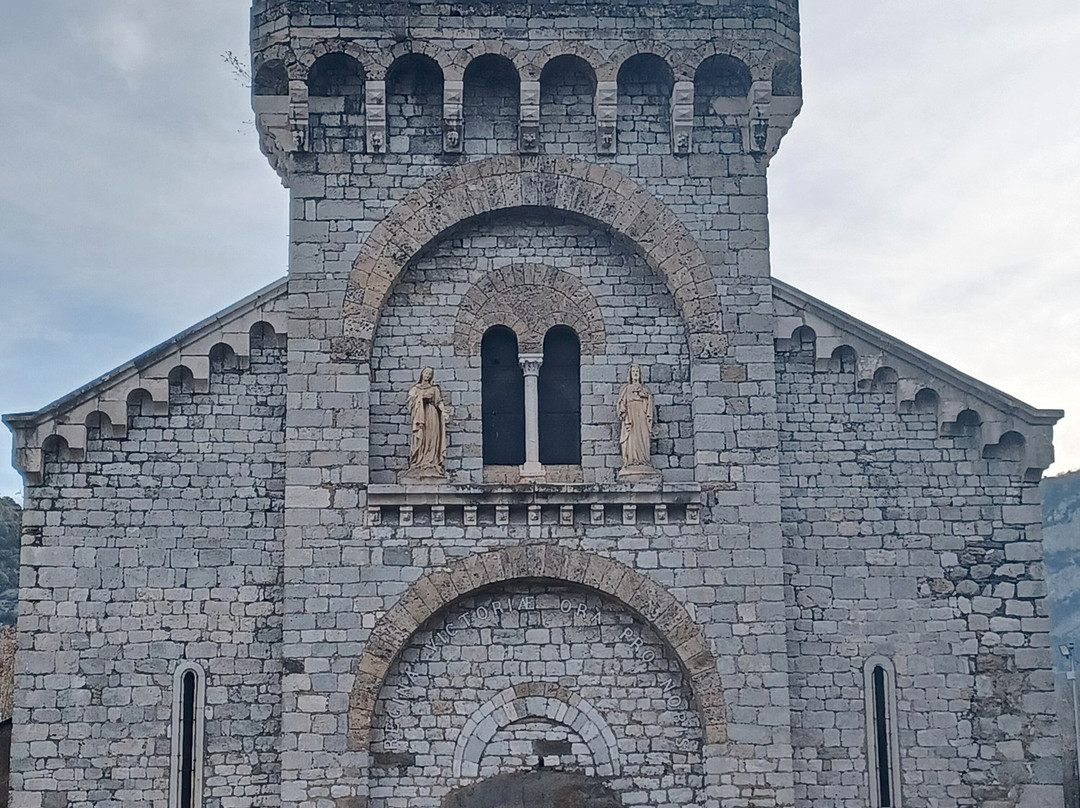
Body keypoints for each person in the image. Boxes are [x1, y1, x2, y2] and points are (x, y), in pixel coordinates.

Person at [406, 367, 448, 478]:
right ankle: (419, 462)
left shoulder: (434, 388)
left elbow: (439, 402)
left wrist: (444, 412)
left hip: (432, 414)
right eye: (426, 373)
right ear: (422, 374)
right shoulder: (415, 389)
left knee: (432, 437)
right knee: (421, 438)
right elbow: (410, 402)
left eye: (430, 374)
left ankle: (431, 462)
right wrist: (420, 398)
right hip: (420, 416)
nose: (427, 375)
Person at [617, 364, 656, 475]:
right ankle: (631, 461)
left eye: (637, 372)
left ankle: (644, 460)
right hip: (630, 415)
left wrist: (644, 396)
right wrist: (623, 412)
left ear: (640, 374)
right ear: (630, 374)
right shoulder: (626, 389)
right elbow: (621, 403)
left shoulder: (645, 389)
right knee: (631, 438)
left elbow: (649, 403)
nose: (635, 374)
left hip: (641, 415)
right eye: (633, 371)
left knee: (643, 436)